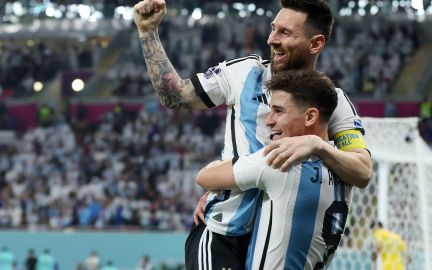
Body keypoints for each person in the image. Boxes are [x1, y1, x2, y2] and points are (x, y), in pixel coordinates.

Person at [133, 0, 372, 268]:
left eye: (286, 33)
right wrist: (148, 33)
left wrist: (318, 144)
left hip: (281, 238)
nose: (272, 39)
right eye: (273, 29)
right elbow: (176, 97)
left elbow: (362, 171)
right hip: (224, 233)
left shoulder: (332, 100)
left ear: (315, 44)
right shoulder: (244, 72)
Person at [197, 69, 353, 269]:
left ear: (310, 117)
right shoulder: (344, 166)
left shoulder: (280, 161)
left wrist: (215, 176)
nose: (269, 120)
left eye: (278, 111)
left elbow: (204, 177)